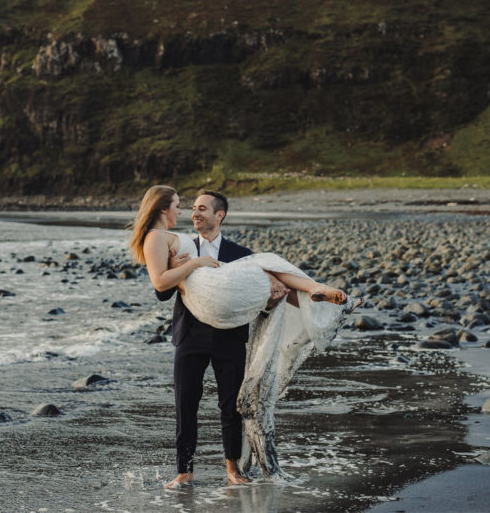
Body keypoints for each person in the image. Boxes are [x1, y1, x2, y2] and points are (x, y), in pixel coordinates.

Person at [129, 185, 361, 487]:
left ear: (219, 215)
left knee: (232, 406)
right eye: (191, 207)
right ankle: (184, 471)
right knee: (185, 405)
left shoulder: (240, 254)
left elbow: (255, 296)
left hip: (230, 336)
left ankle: (232, 469)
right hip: (190, 335)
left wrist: (272, 298)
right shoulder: (184, 246)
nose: (193, 213)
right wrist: (186, 269)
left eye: (201, 208)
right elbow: (162, 292)